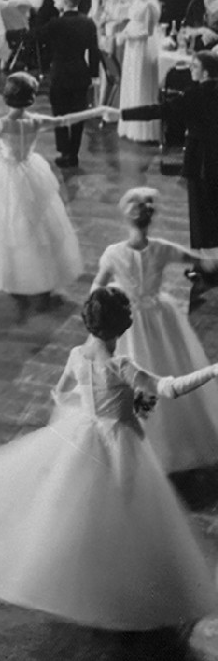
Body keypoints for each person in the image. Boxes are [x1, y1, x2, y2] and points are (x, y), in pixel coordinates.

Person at [0, 287, 218, 661]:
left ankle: (85, 582)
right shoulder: (122, 367)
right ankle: (118, 593)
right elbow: (169, 388)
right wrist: (211, 370)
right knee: (128, 513)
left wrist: (86, 417)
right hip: (122, 444)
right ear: (123, 325)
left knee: (79, 508)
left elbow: (62, 393)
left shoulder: (79, 355)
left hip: (87, 435)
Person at [0, 73, 116, 315]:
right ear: (30, 99)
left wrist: (0, 154)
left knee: (5, 227)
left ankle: (13, 275)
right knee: (37, 224)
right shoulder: (35, 122)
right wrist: (97, 110)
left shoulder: (0, 124)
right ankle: (38, 275)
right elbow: (65, 119)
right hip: (31, 172)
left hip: (7, 175)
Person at [89, 189, 218, 473]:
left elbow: (96, 287)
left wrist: (101, 311)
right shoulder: (161, 247)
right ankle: (168, 438)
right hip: (161, 320)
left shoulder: (113, 253)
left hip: (128, 322)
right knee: (164, 368)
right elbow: (201, 260)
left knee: (134, 376)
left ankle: (143, 439)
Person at [122, 50, 218, 251]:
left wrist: (123, 114)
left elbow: (160, 111)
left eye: (195, 66)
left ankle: (205, 266)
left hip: (201, 158)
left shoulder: (195, 94)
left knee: (200, 215)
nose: (191, 69)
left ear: (207, 73)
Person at [43, 0, 101, 169]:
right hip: (80, 71)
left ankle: (64, 150)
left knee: (59, 112)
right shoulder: (88, 22)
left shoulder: (56, 23)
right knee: (78, 113)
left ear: (65, 1)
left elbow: (40, 39)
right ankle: (74, 152)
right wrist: (93, 74)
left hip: (60, 72)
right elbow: (94, 50)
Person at [119, 0, 163, 142]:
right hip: (133, 46)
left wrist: (130, 35)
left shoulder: (152, 3)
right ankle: (129, 124)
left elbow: (149, 31)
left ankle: (143, 129)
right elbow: (133, 20)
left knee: (140, 82)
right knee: (131, 82)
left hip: (143, 46)